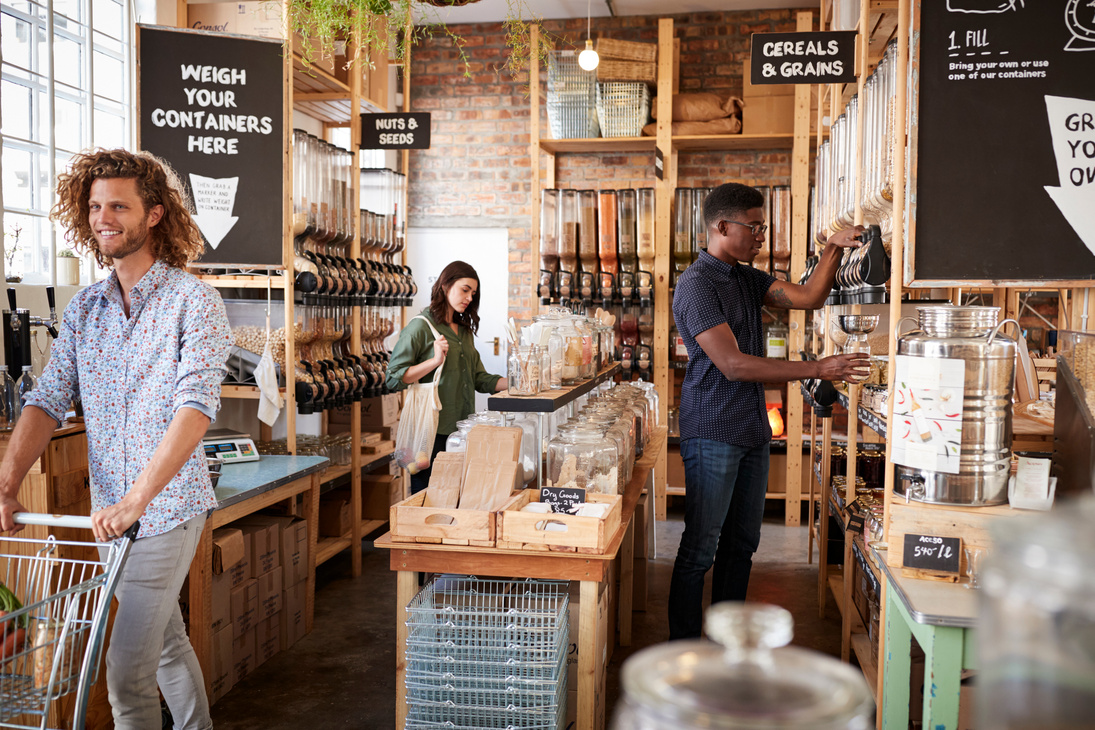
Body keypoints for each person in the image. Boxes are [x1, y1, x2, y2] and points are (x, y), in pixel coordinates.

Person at [0, 148, 230, 729]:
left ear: (153, 214)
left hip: (166, 509)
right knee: (166, 641)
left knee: (127, 669)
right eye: (96, 205)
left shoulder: (193, 301)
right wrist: (6, 485)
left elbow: (194, 408)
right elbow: (47, 400)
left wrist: (137, 500)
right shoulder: (84, 310)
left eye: (119, 206)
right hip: (111, 514)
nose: (104, 217)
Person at [668, 182, 869, 640]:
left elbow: (808, 297)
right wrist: (818, 367)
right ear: (722, 226)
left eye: (763, 226)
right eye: (754, 227)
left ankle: (724, 642)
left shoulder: (746, 276)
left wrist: (832, 250)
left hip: (752, 431)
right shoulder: (697, 284)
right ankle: (682, 649)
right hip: (713, 429)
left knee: (741, 546)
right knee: (701, 548)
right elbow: (734, 365)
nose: (762, 236)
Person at [386, 260, 506, 494]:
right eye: (465, 290)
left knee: (457, 496)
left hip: (462, 430)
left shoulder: (464, 332)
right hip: (431, 431)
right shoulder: (420, 328)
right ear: (444, 286)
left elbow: (480, 379)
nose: (469, 298)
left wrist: (518, 383)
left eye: (473, 293)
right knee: (428, 496)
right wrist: (433, 361)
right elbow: (393, 378)